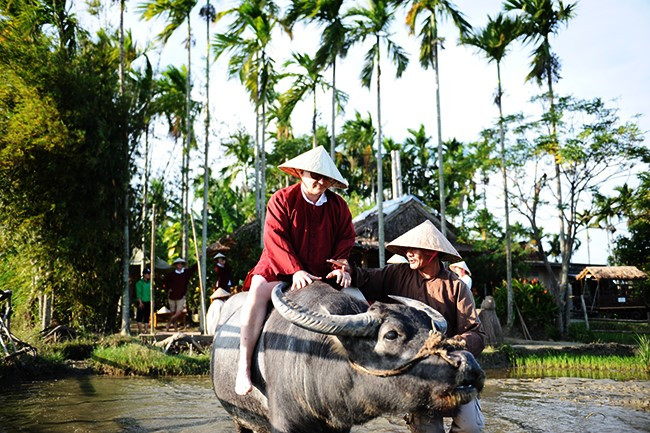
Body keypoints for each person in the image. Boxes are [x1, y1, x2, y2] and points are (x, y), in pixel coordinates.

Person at [235, 145, 356, 396]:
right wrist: (295, 270)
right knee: (257, 293)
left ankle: (362, 372)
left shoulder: (339, 207)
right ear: (301, 173)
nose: (321, 182)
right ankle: (243, 366)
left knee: (358, 301)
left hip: (321, 271)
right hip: (278, 266)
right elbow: (274, 237)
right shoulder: (281, 199)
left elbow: (346, 240)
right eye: (315, 176)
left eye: (326, 178)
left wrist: (340, 267)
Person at [348, 220, 486, 433]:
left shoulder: (456, 287)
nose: (409, 254)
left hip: (451, 367)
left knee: (471, 428)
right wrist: (348, 270)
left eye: (415, 249)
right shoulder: (396, 274)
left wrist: (449, 347)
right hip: (419, 370)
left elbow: (475, 332)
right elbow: (366, 279)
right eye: (407, 250)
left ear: (432, 253)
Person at [163, 257, 197, 332]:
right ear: (176, 265)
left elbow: (194, 268)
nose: (179, 265)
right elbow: (165, 283)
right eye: (178, 264)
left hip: (181, 296)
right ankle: (175, 329)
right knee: (173, 313)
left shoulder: (186, 273)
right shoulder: (171, 274)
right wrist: (168, 289)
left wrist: (199, 259)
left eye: (181, 264)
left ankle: (168, 324)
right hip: (172, 296)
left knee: (178, 312)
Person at [135, 267, 152, 334]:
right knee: (140, 315)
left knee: (147, 315)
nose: (149, 275)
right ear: (144, 275)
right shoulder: (139, 283)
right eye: (147, 274)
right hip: (141, 301)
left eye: (149, 274)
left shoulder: (150, 282)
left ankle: (146, 329)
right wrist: (140, 302)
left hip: (148, 301)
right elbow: (138, 293)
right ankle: (140, 330)